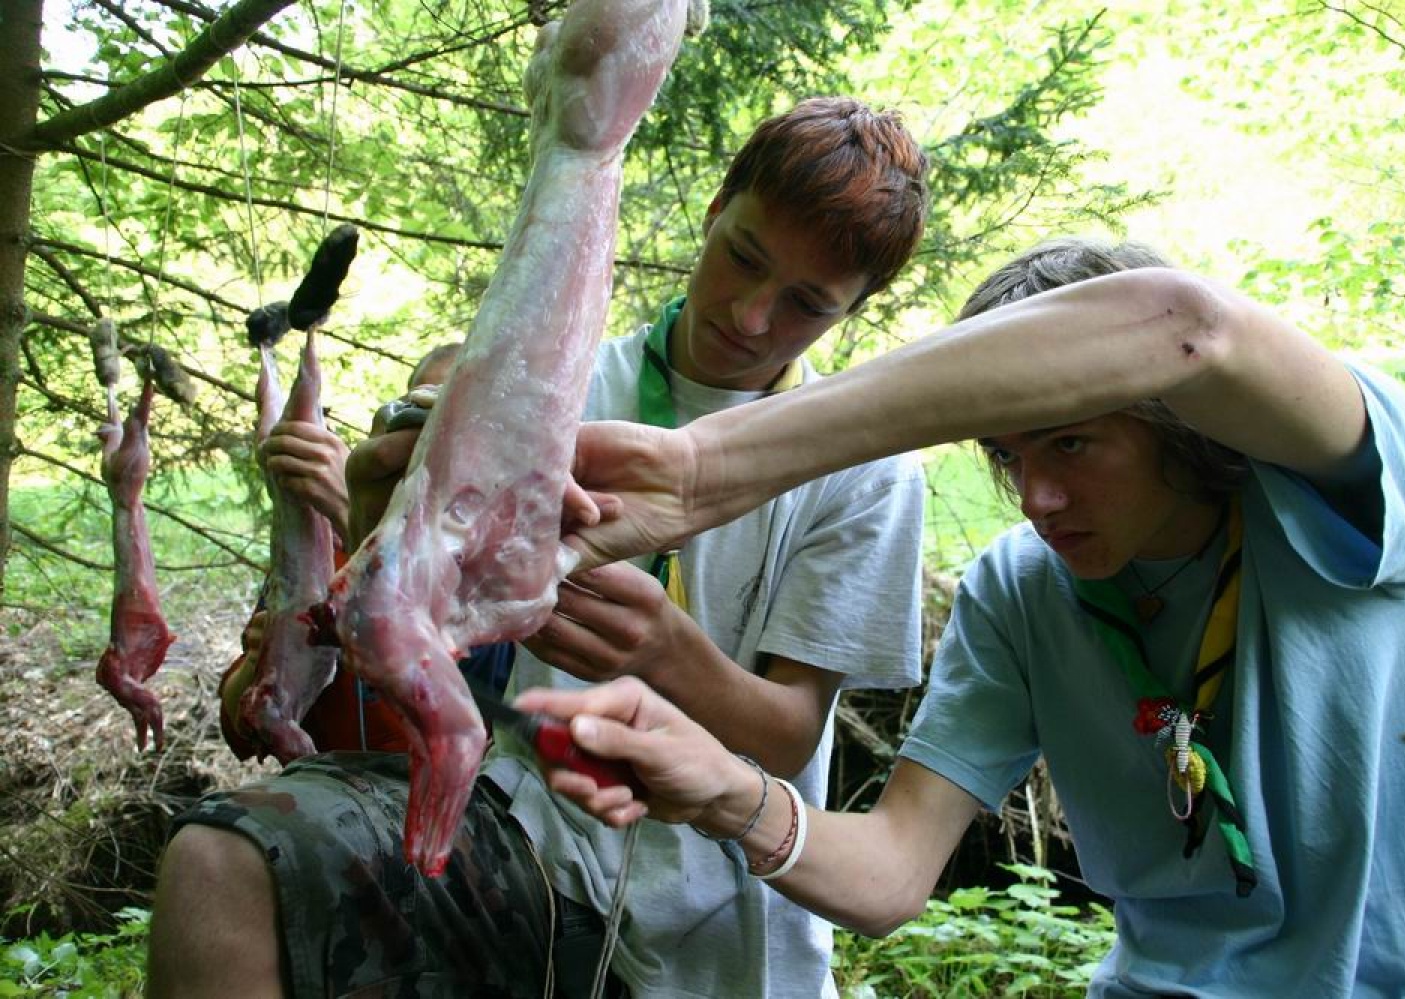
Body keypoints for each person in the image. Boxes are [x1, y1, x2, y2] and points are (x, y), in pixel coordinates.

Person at [148, 96, 931, 999]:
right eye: (743, 257)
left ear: (854, 310)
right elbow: (417, 633)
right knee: (219, 860)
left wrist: (664, 650)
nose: (752, 317)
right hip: (520, 841)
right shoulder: (553, 382)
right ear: (715, 213)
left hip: (716, 918)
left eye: (804, 303)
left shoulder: (861, 470)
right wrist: (372, 507)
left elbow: (790, 736)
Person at [522, 237, 1405, 997]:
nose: (1037, 498)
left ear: (1170, 421)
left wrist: (707, 468)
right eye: (1005, 454)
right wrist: (726, 789)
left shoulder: (1336, 496)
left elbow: (1189, 325)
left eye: (1072, 442)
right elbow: (890, 871)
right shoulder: (1022, 588)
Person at [216, 343, 512, 757]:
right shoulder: (324, 556)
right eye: (415, 413)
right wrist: (261, 661)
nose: (429, 437)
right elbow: (239, 735)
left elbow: (465, 714)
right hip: (322, 800)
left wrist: (353, 519)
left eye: (453, 418)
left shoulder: (514, 572)